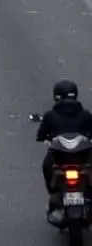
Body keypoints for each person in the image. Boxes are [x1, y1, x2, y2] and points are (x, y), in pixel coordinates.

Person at [36, 80, 92, 210]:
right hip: (82, 160)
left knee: (46, 166)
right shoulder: (86, 114)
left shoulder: (50, 116)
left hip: (60, 161)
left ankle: (55, 193)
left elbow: (40, 136)